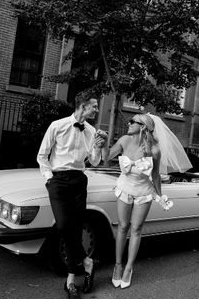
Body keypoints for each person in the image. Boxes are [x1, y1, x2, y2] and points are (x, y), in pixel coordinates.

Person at [104, 113, 192, 289]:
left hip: (144, 192)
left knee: (136, 229)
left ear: (142, 126)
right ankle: (118, 265)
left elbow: (155, 175)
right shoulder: (124, 140)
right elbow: (106, 157)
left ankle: (129, 268)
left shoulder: (155, 150)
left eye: (132, 122)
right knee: (122, 226)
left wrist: (161, 196)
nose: (128, 123)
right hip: (124, 188)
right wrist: (102, 144)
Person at [37, 94, 107, 299]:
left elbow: (93, 162)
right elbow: (42, 155)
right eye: (94, 107)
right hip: (58, 181)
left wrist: (98, 148)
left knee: (74, 229)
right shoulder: (57, 126)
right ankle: (87, 262)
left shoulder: (92, 131)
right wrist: (49, 178)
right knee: (63, 226)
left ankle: (70, 281)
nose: (96, 110)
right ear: (83, 106)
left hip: (79, 181)